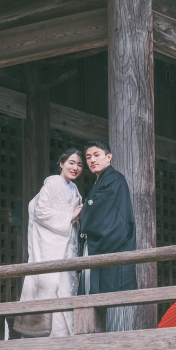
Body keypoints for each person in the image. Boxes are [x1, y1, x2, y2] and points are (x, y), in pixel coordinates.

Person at [13, 148, 84, 338]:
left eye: (79, 164)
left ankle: (65, 338)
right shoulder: (52, 183)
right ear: (61, 164)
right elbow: (40, 211)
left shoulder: (75, 190)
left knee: (67, 290)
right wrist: (70, 215)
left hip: (66, 246)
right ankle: (45, 336)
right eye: (71, 162)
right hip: (52, 247)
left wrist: (76, 218)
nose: (75, 168)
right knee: (52, 287)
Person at [78, 139, 137, 332]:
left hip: (114, 248)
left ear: (109, 157)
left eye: (97, 155)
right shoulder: (99, 183)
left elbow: (102, 212)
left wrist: (85, 208)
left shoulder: (115, 179)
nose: (92, 160)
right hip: (97, 247)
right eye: (88, 157)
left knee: (115, 304)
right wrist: (89, 207)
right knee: (95, 300)